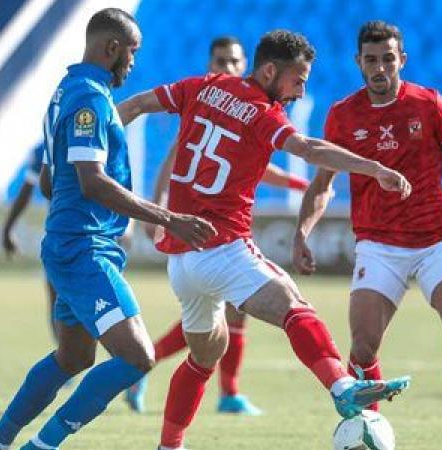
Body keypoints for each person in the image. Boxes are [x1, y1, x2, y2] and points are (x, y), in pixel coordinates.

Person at [118, 29, 412, 450]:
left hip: (182, 262)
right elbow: (309, 147)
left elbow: (139, 103)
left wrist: (100, 131)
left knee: (203, 358)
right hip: (222, 248)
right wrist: (374, 168)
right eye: (298, 79)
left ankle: (169, 446)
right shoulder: (262, 112)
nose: (301, 90)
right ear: (271, 70)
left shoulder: (204, 85)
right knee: (294, 307)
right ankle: (342, 386)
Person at [0, 9, 216, 450]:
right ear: (112, 48)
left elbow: (48, 179)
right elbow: (92, 180)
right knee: (138, 356)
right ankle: (39, 446)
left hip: (70, 244)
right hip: (84, 250)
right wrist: (168, 218)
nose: (133, 63)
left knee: (74, 356)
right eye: (132, 53)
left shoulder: (65, 91)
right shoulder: (91, 101)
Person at [292, 21, 442, 450]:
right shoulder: (343, 114)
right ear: (358, 62)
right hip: (378, 242)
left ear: (401, 60)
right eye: (370, 60)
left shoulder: (428, 105)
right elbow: (323, 185)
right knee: (363, 347)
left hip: (435, 237)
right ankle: (369, 429)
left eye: (387, 59)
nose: (379, 68)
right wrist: (302, 233)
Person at [127, 35, 311, 416]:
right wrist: (159, 211)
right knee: (219, 315)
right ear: (210, 63)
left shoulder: (245, 106)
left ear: (249, 66)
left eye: (234, 62)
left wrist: (300, 184)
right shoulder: (204, 100)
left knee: (225, 315)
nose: (227, 68)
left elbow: (258, 169)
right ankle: (151, 364)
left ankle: (222, 391)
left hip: (225, 227)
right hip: (197, 230)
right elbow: (173, 162)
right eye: (220, 61)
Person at [1, 142, 60, 342]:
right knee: (58, 301)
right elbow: (28, 188)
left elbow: (27, 190)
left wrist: (7, 228)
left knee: (59, 302)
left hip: (69, 236)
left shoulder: (47, 145)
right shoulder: (45, 146)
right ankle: (65, 361)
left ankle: (66, 361)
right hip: (63, 237)